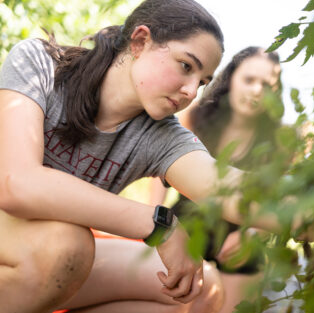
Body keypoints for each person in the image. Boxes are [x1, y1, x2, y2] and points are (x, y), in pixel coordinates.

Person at [0, 0, 244, 312]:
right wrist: (159, 225)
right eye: (186, 66)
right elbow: (16, 183)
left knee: (198, 286)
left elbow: (228, 186)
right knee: (67, 246)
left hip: (47, 255)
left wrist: (312, 206)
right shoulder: (41, 64)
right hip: (32, 240)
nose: (191, 92)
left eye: (202, 82)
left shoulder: (159, 134)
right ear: (140, 41)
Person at [167, 46, 283, 313]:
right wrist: (156, 221)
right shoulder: (194, 116)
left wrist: (252, 233)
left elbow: (278, 202)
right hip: (186, 225)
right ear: (231, 78)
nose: (256, 90)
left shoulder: (279, 141)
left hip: (240, 238)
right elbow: (160, 177)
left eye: (267, 85)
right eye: (249, 80)